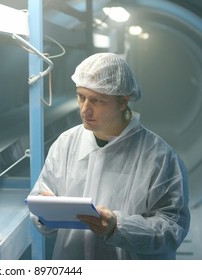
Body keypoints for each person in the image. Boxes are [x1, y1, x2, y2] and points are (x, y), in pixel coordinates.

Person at [29, 52, 190, 260]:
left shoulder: (159, 157)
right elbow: (38, 202)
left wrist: (117, 227)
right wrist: (44, 215)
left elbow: (172, 229)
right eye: (81, 96)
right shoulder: (65, 144)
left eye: (97, 100)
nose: (85, 109)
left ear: (123, 102)